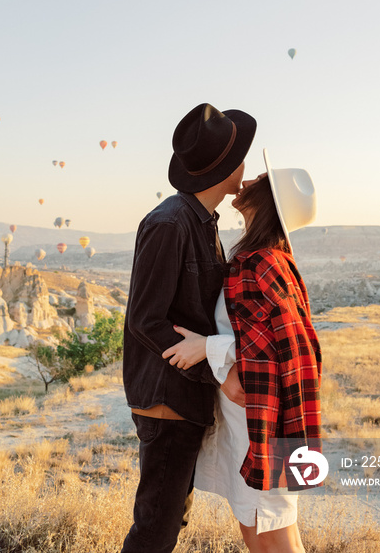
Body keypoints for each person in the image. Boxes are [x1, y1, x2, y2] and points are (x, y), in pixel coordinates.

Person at [163, 149, 322, 553]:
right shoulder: (254, 257)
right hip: (247, 417)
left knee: (275, 531)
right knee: (254, 527)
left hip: (263, 420)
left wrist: (207, 348)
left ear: (268, 201)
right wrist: (222, 363)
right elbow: (258, 335)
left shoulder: (263, 262)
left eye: (260, 181)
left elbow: (289, 344)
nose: (248, 180)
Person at [121, 103, 256, 553]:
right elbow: (146, 319)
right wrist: (213, 368)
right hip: (168, 399)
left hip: (185, 399)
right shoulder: (169, 224)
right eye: (241, 156)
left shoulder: (204, 222)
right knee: (156, 528)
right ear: (224, 168)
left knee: (168, 521)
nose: (246, 164)